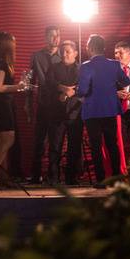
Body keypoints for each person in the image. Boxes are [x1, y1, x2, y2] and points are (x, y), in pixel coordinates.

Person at [77, 34, 130, 187]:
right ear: (104, 48)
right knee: (112, 145)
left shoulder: (86, 66)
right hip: (110, 110)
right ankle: (116, 178)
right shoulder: (114, 64)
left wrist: (80, 91)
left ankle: (101, 179)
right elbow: (126, 81)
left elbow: (82, 91)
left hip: (92, 111)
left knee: (95, 146)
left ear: (91, 48)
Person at [27, 25, 61, 184]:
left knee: (56, 142)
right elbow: (30, 81)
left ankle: (53, 176)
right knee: (39, 141)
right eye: (52, 35)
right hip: (42, 103)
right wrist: (27, 104)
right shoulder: (37, 56)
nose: (56, 38)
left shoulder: (64, 55)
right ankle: (35, 176)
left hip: (60, 104)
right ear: (45, 37)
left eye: (58, 35)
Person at [0, 31, 26, 182]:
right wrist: (18, 86)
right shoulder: (1, 64)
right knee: (8, 140)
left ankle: (1, 177)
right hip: (2, 106)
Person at [46, 40, 82, 185]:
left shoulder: (81, 69)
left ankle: (71, 177)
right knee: (55, 146)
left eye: (68, 51)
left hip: (75, 113)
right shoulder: (53, 68)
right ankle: (53, 177)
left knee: (74, 146)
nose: (65, 54)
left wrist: (72, 91)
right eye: (62, 52)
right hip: (57, 112)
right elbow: (48, 85)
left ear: (75, 53)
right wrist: (61, 90)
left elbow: (85, 87)